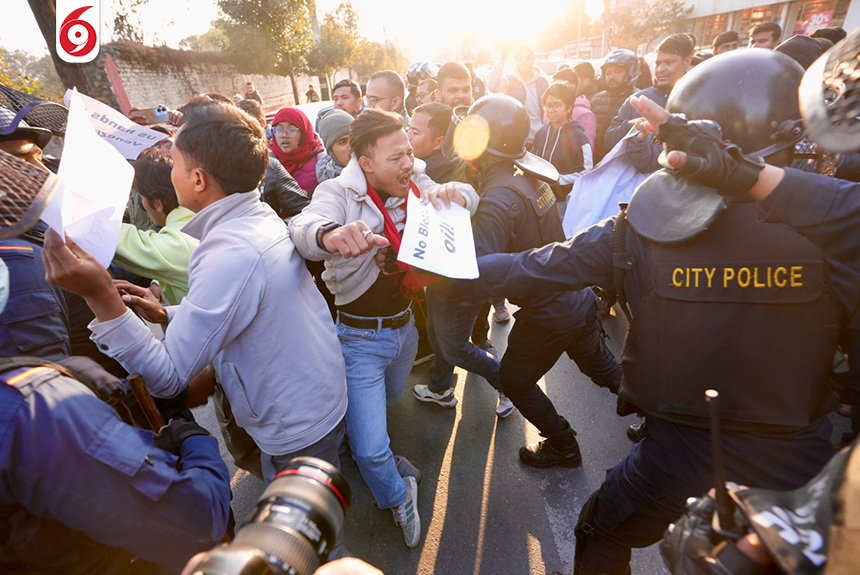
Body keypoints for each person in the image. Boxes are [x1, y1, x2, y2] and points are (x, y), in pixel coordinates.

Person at [470, 50, 848, 575]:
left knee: (600, 530)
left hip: (680, 448)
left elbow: (539, 267)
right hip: (799, 452)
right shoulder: (835, 233)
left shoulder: (645, 224)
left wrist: (450, 267)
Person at [42, 102, 349, 497]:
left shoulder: (229, 250)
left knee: (308, 544)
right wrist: (168, 312)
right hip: (311, 399)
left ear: (198, 179)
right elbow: (246, 306)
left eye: (173, 164)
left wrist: (100, 296)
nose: (169, 175)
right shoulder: (253, 217)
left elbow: (169, 377)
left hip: (295, 426)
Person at [0, 149, 232, 575]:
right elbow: (195, 518)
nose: (40, 171)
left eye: (37, 157)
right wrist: (193, 440)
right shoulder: (30, 408)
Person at [289, 109, 480, 548]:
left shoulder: (418, 182)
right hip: (358, 341)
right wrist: (330, 235)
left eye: (409, 152)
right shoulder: (336, 192)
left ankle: (380, 452)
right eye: (396, 157)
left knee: (392, 401)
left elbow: (469, 197)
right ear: (366, 162)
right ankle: (397, 494)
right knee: (371, 448)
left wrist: (457, 193)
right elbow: (302, 226)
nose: (408, 163)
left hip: (406, 332)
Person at [440, 94, 622, 468]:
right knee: (601, 366)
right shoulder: (525, 176)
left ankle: (563, 444)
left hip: (548, 313)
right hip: (577, 297)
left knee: (515, 381)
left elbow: (479, 274)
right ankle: (663, 418)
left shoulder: (495, 199)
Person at [114, 148, 198, 306]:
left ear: (157, 203)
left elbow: (112, 237)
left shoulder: (182, 240)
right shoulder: (195, 221)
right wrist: (159, 282)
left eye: (142, 198)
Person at [604, 33, 692, 169]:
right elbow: (609, 139)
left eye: (669, 63)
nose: (661, 69)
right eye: (658, 63)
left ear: (686, 62)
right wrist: (632, 126)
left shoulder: (699, 98)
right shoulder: (639, 100)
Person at [531, 82, 593, 204]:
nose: (550, 110)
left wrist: (556, 180)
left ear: (569, 108)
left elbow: (586, 172)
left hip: (564, 200)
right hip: (540, 198)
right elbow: (533, 159)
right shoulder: (542, 132)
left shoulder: (578, 137)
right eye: (548, 105)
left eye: (556, 105)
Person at [488, 45, 549, 142]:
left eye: (527, 58)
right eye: (520, 59)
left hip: (540, 137)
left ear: (533, 59)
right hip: (517, 138)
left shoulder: (543, 82)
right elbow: (492, 86)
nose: (524, 61)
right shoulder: (509, 80)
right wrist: (503, 58)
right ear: (515, 61)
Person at [589, 49, 640, 161]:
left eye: (618, 72)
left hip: (621, 164)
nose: (612, 76)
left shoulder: (638, 99)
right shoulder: (596, 99)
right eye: (609, 73)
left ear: (630, 73)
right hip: (594, 163)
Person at [270, 106, 325, 193]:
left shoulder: (322, 163)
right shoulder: (267, 162)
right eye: (279, 129)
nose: (284, 135)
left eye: (291, 130)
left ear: (304, 133)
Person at [408, 102, 466, 183]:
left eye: (415, 132)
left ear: (439, 142)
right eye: (408, 129)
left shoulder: (430, 177)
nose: (407, 137)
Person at [552, 68, 597, 149]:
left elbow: (586, 149)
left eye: (559, 87)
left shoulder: (585, 115)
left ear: (572, 87)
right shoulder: (549, 111)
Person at [316, 109, 354, 184]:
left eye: (354, 138)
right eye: (343, 142)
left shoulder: (375, 170)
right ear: (331, 151)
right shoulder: (327, 186)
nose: (352, 146)